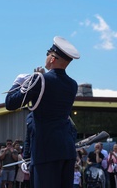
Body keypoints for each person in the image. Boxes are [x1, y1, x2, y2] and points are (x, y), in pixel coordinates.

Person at [5, 36, 80, 188]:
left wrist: (19, 82)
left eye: (48, 53)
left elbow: (10, 103)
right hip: (66, 150)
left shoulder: (41, 80)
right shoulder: (73, 84)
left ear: (52, 58)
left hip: (45, 151)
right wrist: (38, 79)